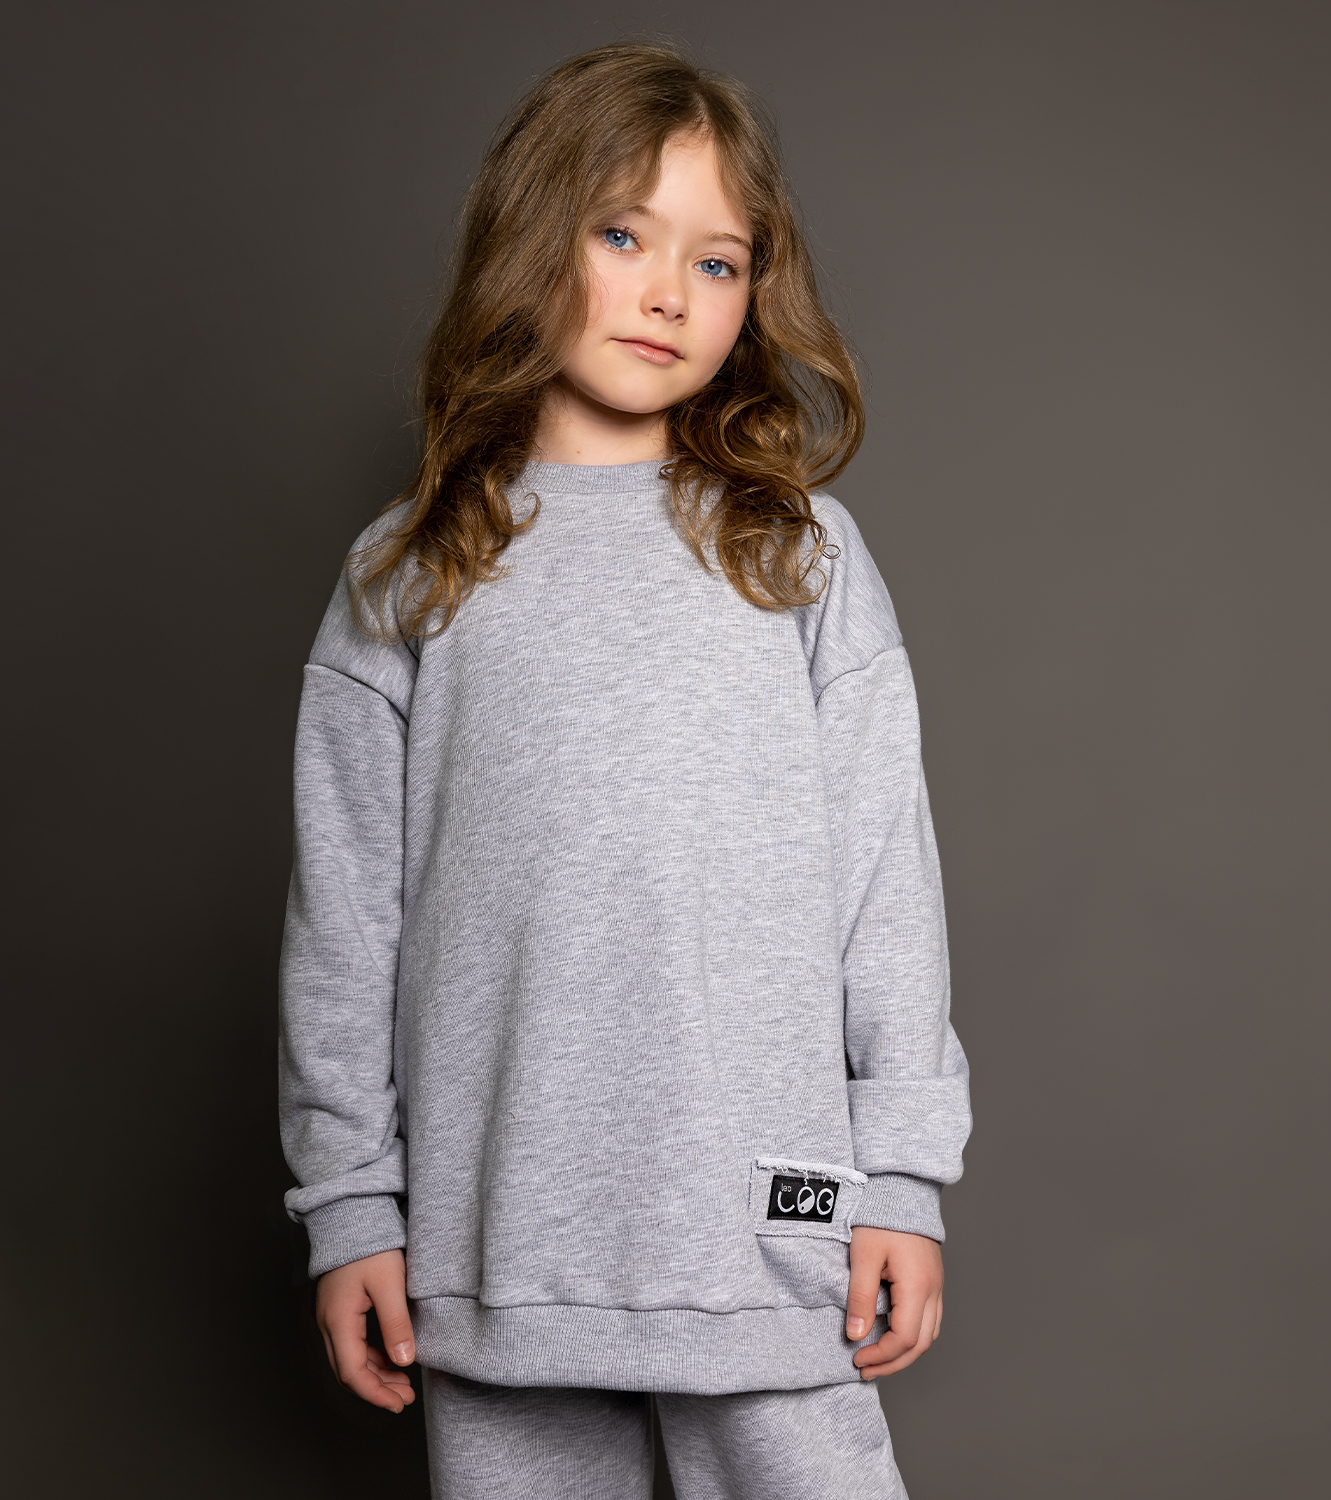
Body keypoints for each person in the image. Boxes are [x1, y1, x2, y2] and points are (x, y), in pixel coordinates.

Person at [278, 40, 970, 1500]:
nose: (669, 293)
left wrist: (900, 1176)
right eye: (621, 236)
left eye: (718, 264)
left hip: (777, 1208)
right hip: (498, 1225)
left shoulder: (798, 553)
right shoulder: (409, 572)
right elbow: (344, 925)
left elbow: (885, 890)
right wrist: (351, 1206)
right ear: (530, 239)